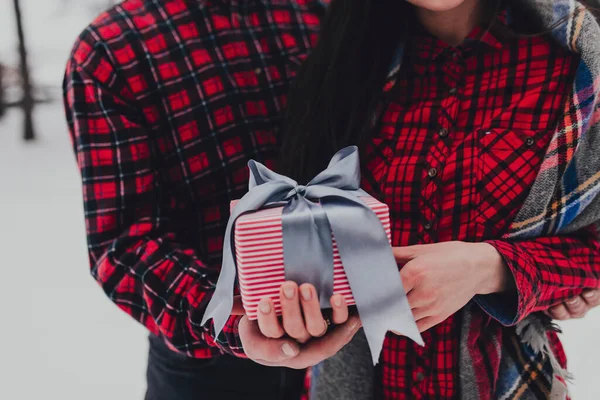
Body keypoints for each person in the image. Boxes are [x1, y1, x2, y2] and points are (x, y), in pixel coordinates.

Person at [62, 0, 600, 399]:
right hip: (212, 357)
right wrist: (239, 322)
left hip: (379, 344)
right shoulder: (114, 49)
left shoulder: (331, 17)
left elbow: (563, 226)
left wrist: (516, 272)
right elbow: (124, 244)